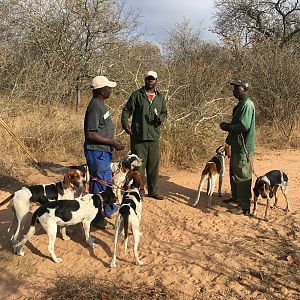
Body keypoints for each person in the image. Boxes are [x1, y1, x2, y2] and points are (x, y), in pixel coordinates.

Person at [84, 75, 124, 228]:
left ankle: (104, 212)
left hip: (102, 152)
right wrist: (113, 142)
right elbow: (91, 134)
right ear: (101, 91)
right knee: (100, 184)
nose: (111, 90)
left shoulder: (100, 105)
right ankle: (98, 218)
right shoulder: (95, 106)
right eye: (108, 88)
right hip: (96, 152)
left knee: (104, 182)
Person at [121, 71, 168, 200]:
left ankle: (153, 191)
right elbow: (127, 110)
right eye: (148, 79)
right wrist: (125, 123)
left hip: (154, 136)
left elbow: (164, 113)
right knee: (138, 165)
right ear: (145, 80)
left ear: (156, 81)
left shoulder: (160, 97)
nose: (150, 81)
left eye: (152, 79)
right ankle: (138, 190)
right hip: (138, 136)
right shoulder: (137, 95)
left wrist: (161, 119)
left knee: (153, 165)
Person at [220, 79, 256, 215]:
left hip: (244, 147)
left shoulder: (247, 105)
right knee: (234, 174)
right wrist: (228, 139)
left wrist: (227, 127)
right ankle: (236, 198)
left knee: (242, 175)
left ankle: (244, 206)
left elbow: (243, 126)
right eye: (234, 89)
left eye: (237, 89)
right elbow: (237, 125)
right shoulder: (240, 104)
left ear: (245, 90)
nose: (234, 91)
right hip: (236, 145)